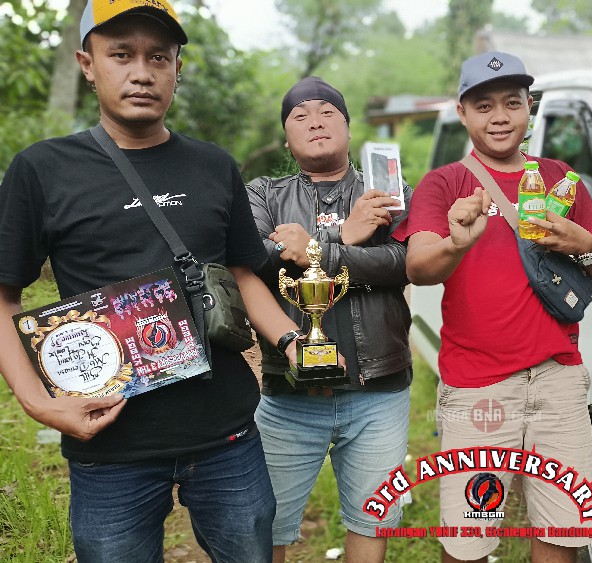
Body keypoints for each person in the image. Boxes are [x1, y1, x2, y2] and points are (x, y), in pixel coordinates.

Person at [0, 1, 303, 561]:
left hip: (227, 434)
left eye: (158, 57)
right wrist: (38, 404)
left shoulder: (214, 166)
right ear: (87, 64)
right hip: (108, 440)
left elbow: (241, 271)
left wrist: (292, 340)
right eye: (121, 55)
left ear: (177, 69)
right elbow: (4, 295)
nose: (142, 72)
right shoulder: (41, 169)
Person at [396, 51, 592, 563]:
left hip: (558, 381)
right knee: (468, 542)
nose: (499, 116)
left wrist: (582, 243)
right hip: (479, 387)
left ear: (529, 107)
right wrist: (456, 243)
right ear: (463, 113)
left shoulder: (561, 178)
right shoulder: (444, 183)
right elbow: (418, 267)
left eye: (512, 103)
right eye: (484, 105)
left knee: (563, 533)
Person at [246, 76, 413, 563]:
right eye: (300, 116)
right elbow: (255, 261)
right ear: (286, 138)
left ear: (348, 126)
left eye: (327, 112)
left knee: (371, 522)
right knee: (264, 528)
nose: (315, 122)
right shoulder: (263, 194)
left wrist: (317, 249)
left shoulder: (386, 190)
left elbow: (405, 263)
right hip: (287, 397)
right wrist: (347, 235)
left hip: (378, 393)